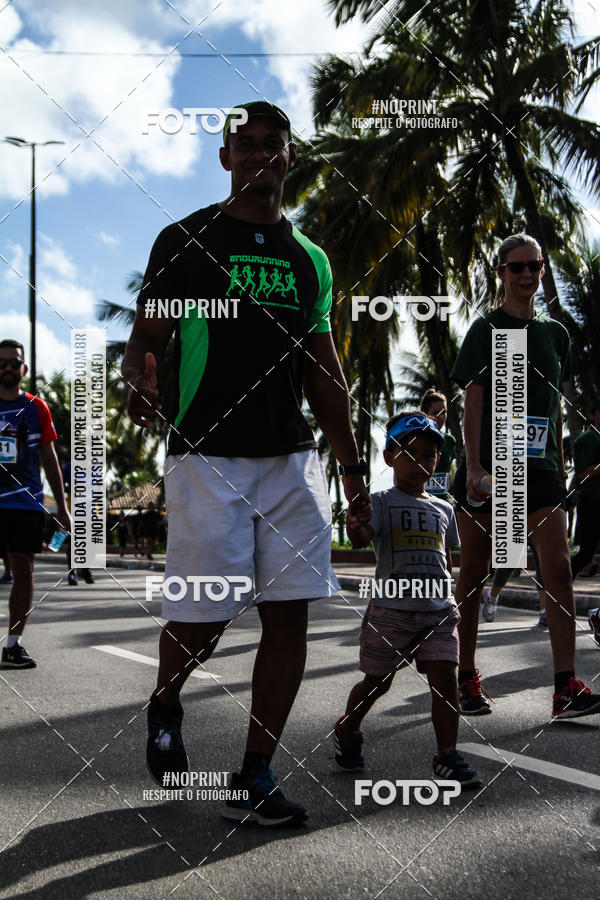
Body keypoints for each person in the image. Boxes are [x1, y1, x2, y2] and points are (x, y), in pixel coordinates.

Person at [123, 100, 370, 826]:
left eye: (274, 143)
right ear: (225, 156)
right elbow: (147, 338)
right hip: (207, 455)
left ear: (290, 155)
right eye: (247, 144)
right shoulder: (185, 239)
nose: (261, 154)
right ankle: (166, 700)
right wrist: (141, 380)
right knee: (205, 616)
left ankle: (256, 772)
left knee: (288, 618)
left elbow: (324, 371)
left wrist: (353, 474)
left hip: (290, 461)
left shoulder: (310, 260)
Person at [450, 233, 600, 719]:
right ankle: (465, 676)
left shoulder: (556, 335)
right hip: (491, 469)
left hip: (541, 471)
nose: (527, 274)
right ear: (501, 273)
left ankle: (565, 688)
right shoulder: (485, 329)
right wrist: (475, 465)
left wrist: (562, 468)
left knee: (557, 567)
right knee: (474, 572)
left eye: (534, 266)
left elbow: (552, 407)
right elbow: (474, 403)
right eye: (517, 267)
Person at [333, 411, 482, 787]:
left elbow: (445, 559)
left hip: (438, 611)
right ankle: (349, 727)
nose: (420, 462)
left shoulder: (444, 509)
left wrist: (450, 594)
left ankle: (447, 754)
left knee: (444, 678)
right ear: (389, 457)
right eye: (409, 454)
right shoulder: (381, 502)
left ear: (438, 459)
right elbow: (361, 538)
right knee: (377, 682)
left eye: (429, 454)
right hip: (392, 611)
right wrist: (355, 524)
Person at [0, 339, 70, 668]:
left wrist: (63, 509)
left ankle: (13, 644)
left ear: (24, 369)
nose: (8, 368)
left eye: (14, 363)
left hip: (25, 503)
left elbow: (50, 458)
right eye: (2, 363)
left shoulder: (37, 407)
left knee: (24, 569)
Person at [481, 538, 547, 627]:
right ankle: (492, 597)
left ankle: (544, 611)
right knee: (510, 560)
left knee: (541, 560)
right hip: (517, 528)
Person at [570, 399, 600, 579]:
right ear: (592, 415)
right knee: (586, 553)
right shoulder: (586, 440)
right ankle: (561, 583)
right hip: (591, 500)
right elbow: (581, 474)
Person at [61, 461, 94, 586]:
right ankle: (72, 572)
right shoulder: (70, 466)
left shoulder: (95, 468)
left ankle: (85, 569)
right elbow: (61, 485)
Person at [420, 388, 456, 501]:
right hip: (420, 502)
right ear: (425, 413)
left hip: (444, 502)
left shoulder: (449, 441)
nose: (440, 417)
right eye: (435, 413)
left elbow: (448, 473)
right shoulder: (415, 439)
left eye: (443, 412)